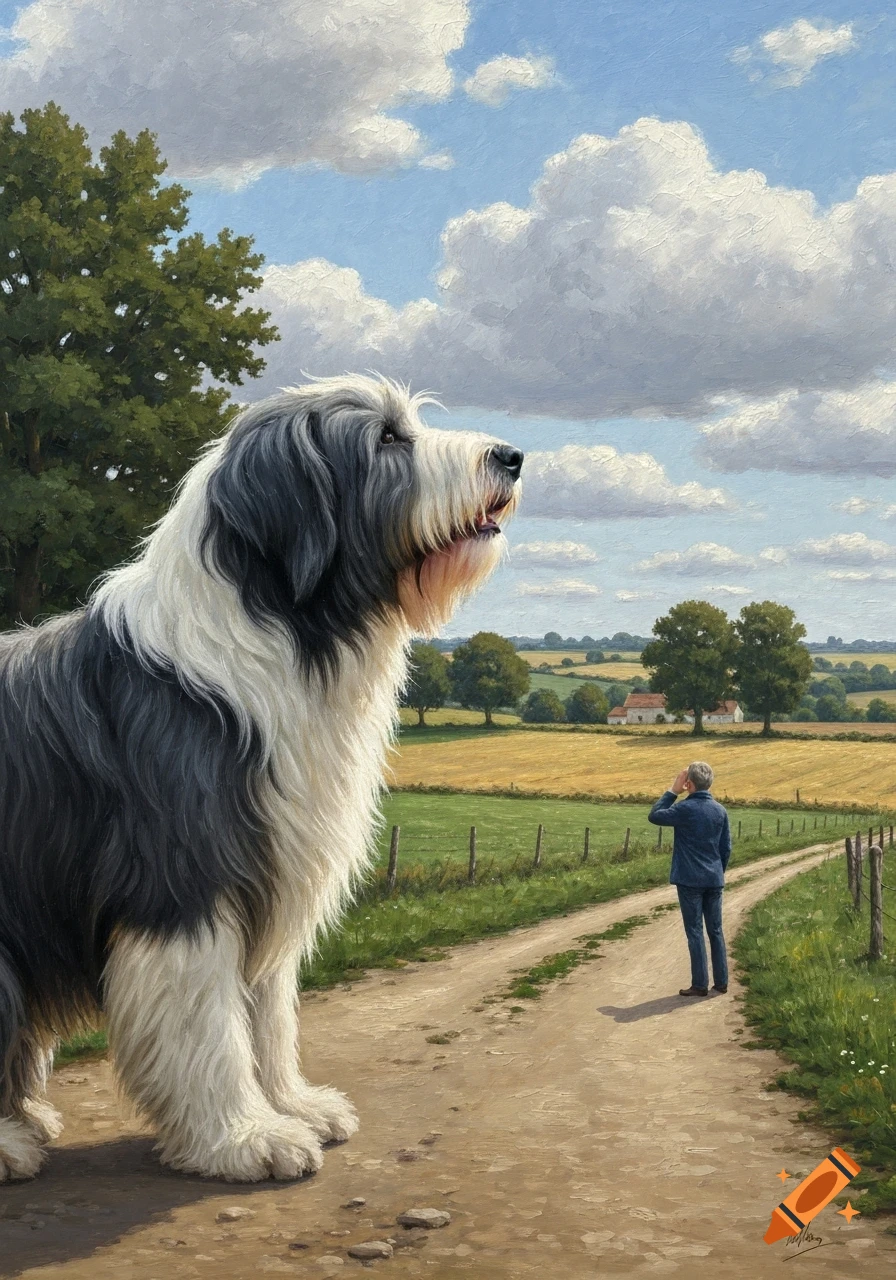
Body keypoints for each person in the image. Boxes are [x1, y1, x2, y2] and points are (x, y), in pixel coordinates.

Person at [648, 761, 731, 997]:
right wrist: (717, 871)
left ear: (689, 784)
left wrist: (673, 790)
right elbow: (726, 848)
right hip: (714, 878)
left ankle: (700, 984)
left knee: (695, 931)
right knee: (715, 929)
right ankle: (722, 981)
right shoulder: (720, 810)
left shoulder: (684, 809)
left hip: (689, 879)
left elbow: (654, 816)